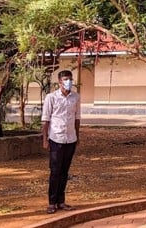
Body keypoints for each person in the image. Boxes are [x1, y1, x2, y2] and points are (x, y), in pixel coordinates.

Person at [42, 69, 81, 214]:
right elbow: (45, 120)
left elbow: (77, 118)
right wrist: (45, 139)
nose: (68, 82)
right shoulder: (51, 97)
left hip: (70, 138)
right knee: (55, 171)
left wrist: (77, 136)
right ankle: (52, 202)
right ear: (59, 82)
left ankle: (61, 201)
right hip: (56, 138)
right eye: (65, 79)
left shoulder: (75, 97)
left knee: (65, 171)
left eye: (70, 79)